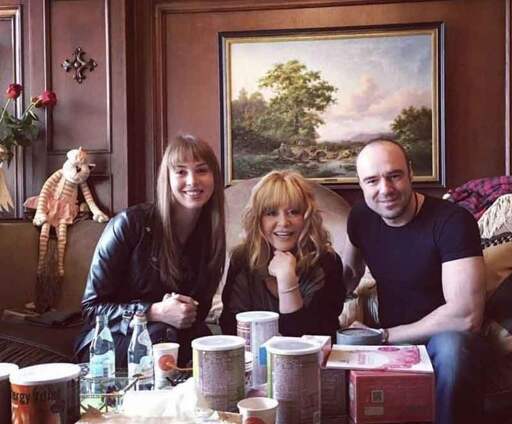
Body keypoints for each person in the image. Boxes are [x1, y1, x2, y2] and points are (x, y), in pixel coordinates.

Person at [344, 140, 487, 424]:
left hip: (443, 335)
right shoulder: (360, 216)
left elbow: (467, 316)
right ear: (361, 184)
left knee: (452, 350)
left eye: (394, 175)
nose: (385, 189)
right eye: (372, 180)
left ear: (410, 173)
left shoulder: (452, 221)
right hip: (390, 336)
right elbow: (348, 275)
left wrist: (384, 335)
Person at [74, 134, 226, 366]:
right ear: (167, 178)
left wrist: (184, 310)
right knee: (161, 338)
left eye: (202, 170)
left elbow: (197, 314)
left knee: (208, 347)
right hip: (106, 343)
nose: (193, 181)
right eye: (181, 171)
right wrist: (154, 311)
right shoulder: (129, 223)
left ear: (214, 176)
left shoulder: (210, 235)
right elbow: (91, 309)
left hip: (170, 338)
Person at [220, 170, 345, 339]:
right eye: (271, 213)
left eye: (294, 212)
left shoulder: (327, 261)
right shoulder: (242, 259)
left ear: (306, 217)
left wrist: (287, 281)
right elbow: (230, 328)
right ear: (258, 219)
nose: (284, 222)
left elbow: (313, 338)